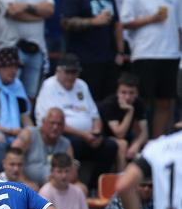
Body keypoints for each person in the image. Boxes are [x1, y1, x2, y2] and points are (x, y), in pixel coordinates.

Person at [120, 0, 181, 138]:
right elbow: (125, 22)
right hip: (145, 53)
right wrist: (151, 19)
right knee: (141, 101)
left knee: (165, 102)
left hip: (170, 54)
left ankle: (157, 143)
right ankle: (139, 143)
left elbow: (179, 26)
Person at [34, 54, 118, 190]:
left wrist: (96, 133)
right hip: (63, 135)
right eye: (68, 72)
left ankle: (95, 187)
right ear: (58, 71)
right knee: (73, 143)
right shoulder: (49, 85)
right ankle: (72, 183)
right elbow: (53, 122)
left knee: (110, 146)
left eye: (74, 72)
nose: (71, 76)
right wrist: (83, 134)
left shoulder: (81, 85)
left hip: (88, 136)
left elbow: (95, 115)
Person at [61, 0, 124, 101]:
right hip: (84, 60)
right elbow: (66, 23)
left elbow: (117, 25)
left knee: (107, 102)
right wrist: (93, 22)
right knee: (86, 101)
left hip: (107, 59)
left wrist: (120, 52)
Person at [0, 0, 55, 99]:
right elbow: (13, 12)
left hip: (37, 48)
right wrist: (38, 14)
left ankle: (27, 116)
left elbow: (50, 10)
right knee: (9, 92)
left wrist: (26, 6)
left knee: (31, 96)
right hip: (11, 47)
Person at [12, 107, 74, 187]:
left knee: (81, 188)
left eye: (59, 124)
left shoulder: (66, 144)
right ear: (43, 122)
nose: (55, 127)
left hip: (55, 187)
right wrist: (24, 182)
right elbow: (11, 159)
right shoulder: (29, 134)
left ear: (63, 126)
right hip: (26, 185)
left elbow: (72, 173)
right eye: (52, 123)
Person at [99, 73, 148, 168]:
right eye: (123, 92)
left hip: (126, 135)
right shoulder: (109, 104)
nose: (127, 97)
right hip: (104, 137)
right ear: (117, 92)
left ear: (137, 93)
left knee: (148, 143)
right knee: (122, 144)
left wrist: (136, 145)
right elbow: (119, 134)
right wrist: (130, 112)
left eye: (131, 93)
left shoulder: (139, 103)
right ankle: (122, 175)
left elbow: (144, 133)